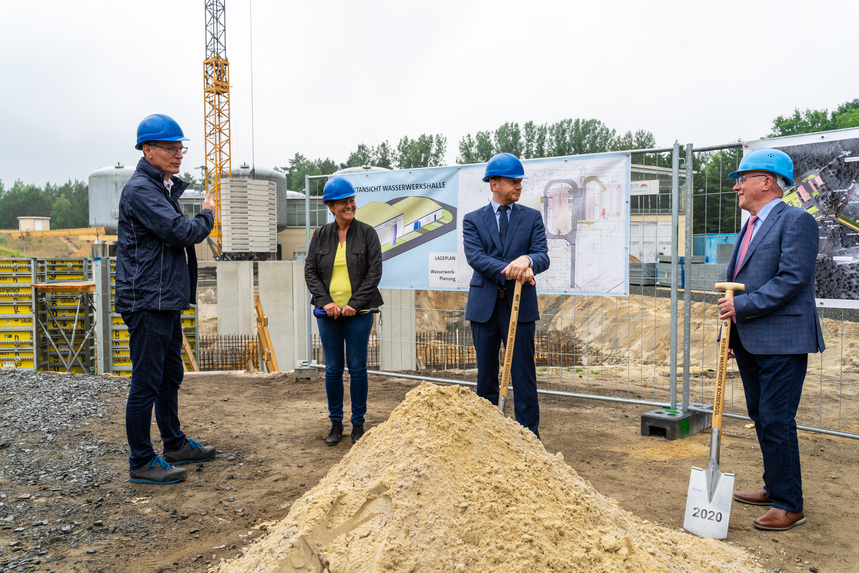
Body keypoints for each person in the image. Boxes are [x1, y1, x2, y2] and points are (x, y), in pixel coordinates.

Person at [718, 147, 825, 531]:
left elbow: (792, 279)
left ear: (766, 181)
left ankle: (789, 504)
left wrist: (742, 309)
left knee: (778, 419)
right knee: (761, 416)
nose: (737, 187)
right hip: (750, 340)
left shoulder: (796, 221)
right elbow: (736, 285)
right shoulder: (750, 226)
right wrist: (730, 333)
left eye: (741, 179)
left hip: (784, 339)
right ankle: (774, 485)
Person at [116, 114, 218, 484]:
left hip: (164, 299)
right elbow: (179, 231)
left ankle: (173, 443)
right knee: (146, 381)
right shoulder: (141, 190)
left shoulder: (158, 187)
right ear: (148, 150)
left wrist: (174, 187)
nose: (178, 154)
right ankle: (141, 461)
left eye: (180, 148)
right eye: (171, 148)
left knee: (170, 373)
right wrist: (207, 215)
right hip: (147, 300)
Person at [463, 153, 550, 438]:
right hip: (484, 307)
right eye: (512, 181)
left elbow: (542, 256)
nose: (518, 186)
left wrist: (528, 260)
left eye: (520, 181)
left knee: (523, 374)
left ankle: (529, 437)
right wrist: (513, 269)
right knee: (486, 376)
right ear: (494, 184)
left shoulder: (532, 217)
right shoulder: (473, 220)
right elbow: (476, 258)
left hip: (519, 307)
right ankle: (488, 438)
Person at [305, 176, 383, 446]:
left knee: (358, 368)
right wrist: (325, 301)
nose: (350, 205)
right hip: (328, 315)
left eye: (352, 200)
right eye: (343, 202)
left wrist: (354, 304)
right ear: (331, 206)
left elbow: (374, 272)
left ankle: (358, 424)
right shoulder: (321, 235)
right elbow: (310, 272)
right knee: (334, 369)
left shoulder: (367, 233)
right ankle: (336, 423)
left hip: (358, 315)